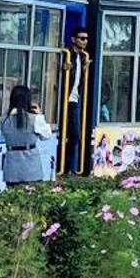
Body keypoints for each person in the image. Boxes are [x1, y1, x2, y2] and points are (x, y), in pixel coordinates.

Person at [0, 82, 56, 185]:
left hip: (11, 166)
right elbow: (47, 135)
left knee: (12, 198)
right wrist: (40, 115)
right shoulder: (35, 119)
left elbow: (4, 135)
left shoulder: (4, 119)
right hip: (31, 165)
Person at [60, 27, 92, 175]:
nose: (84, 41)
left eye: (86, 39)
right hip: (64, 99)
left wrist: (85, 69)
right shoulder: (67, 54)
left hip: (74, 99)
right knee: (66, 132)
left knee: (75, 135)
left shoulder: (82, 56)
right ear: (73, 39)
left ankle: (68, 166)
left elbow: (80, 81)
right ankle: (63, 166)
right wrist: (63, 68)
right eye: (81, 38)